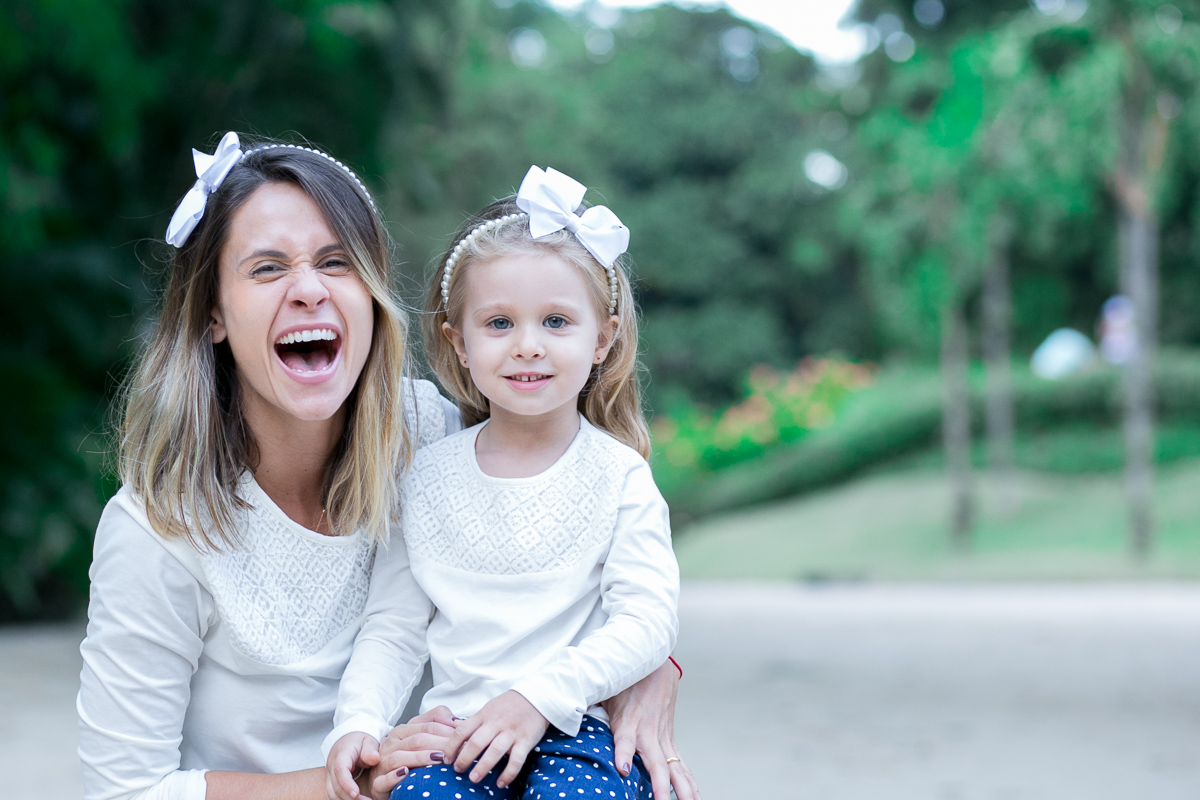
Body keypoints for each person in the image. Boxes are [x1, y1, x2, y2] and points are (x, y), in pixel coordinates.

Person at [77, 134, 695, 800]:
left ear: (371, 293)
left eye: (336, 262)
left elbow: (575, 549)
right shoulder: (156, 529)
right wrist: (345, 780)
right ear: (212, 314)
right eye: (266, 268)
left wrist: (654, 669)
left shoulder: (428, 433)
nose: (309, 290)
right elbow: (123, 792)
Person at [324, 167, 681, 800]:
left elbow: (648, 620)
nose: (527, 346)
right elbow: (395, 627)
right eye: (498, 324)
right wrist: (358, 723)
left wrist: (539, 696)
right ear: (457, 343)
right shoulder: (426, 476)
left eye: (555, 322)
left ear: (602, 340)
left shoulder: (619, 475)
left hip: (575, 728)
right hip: (455, 735)